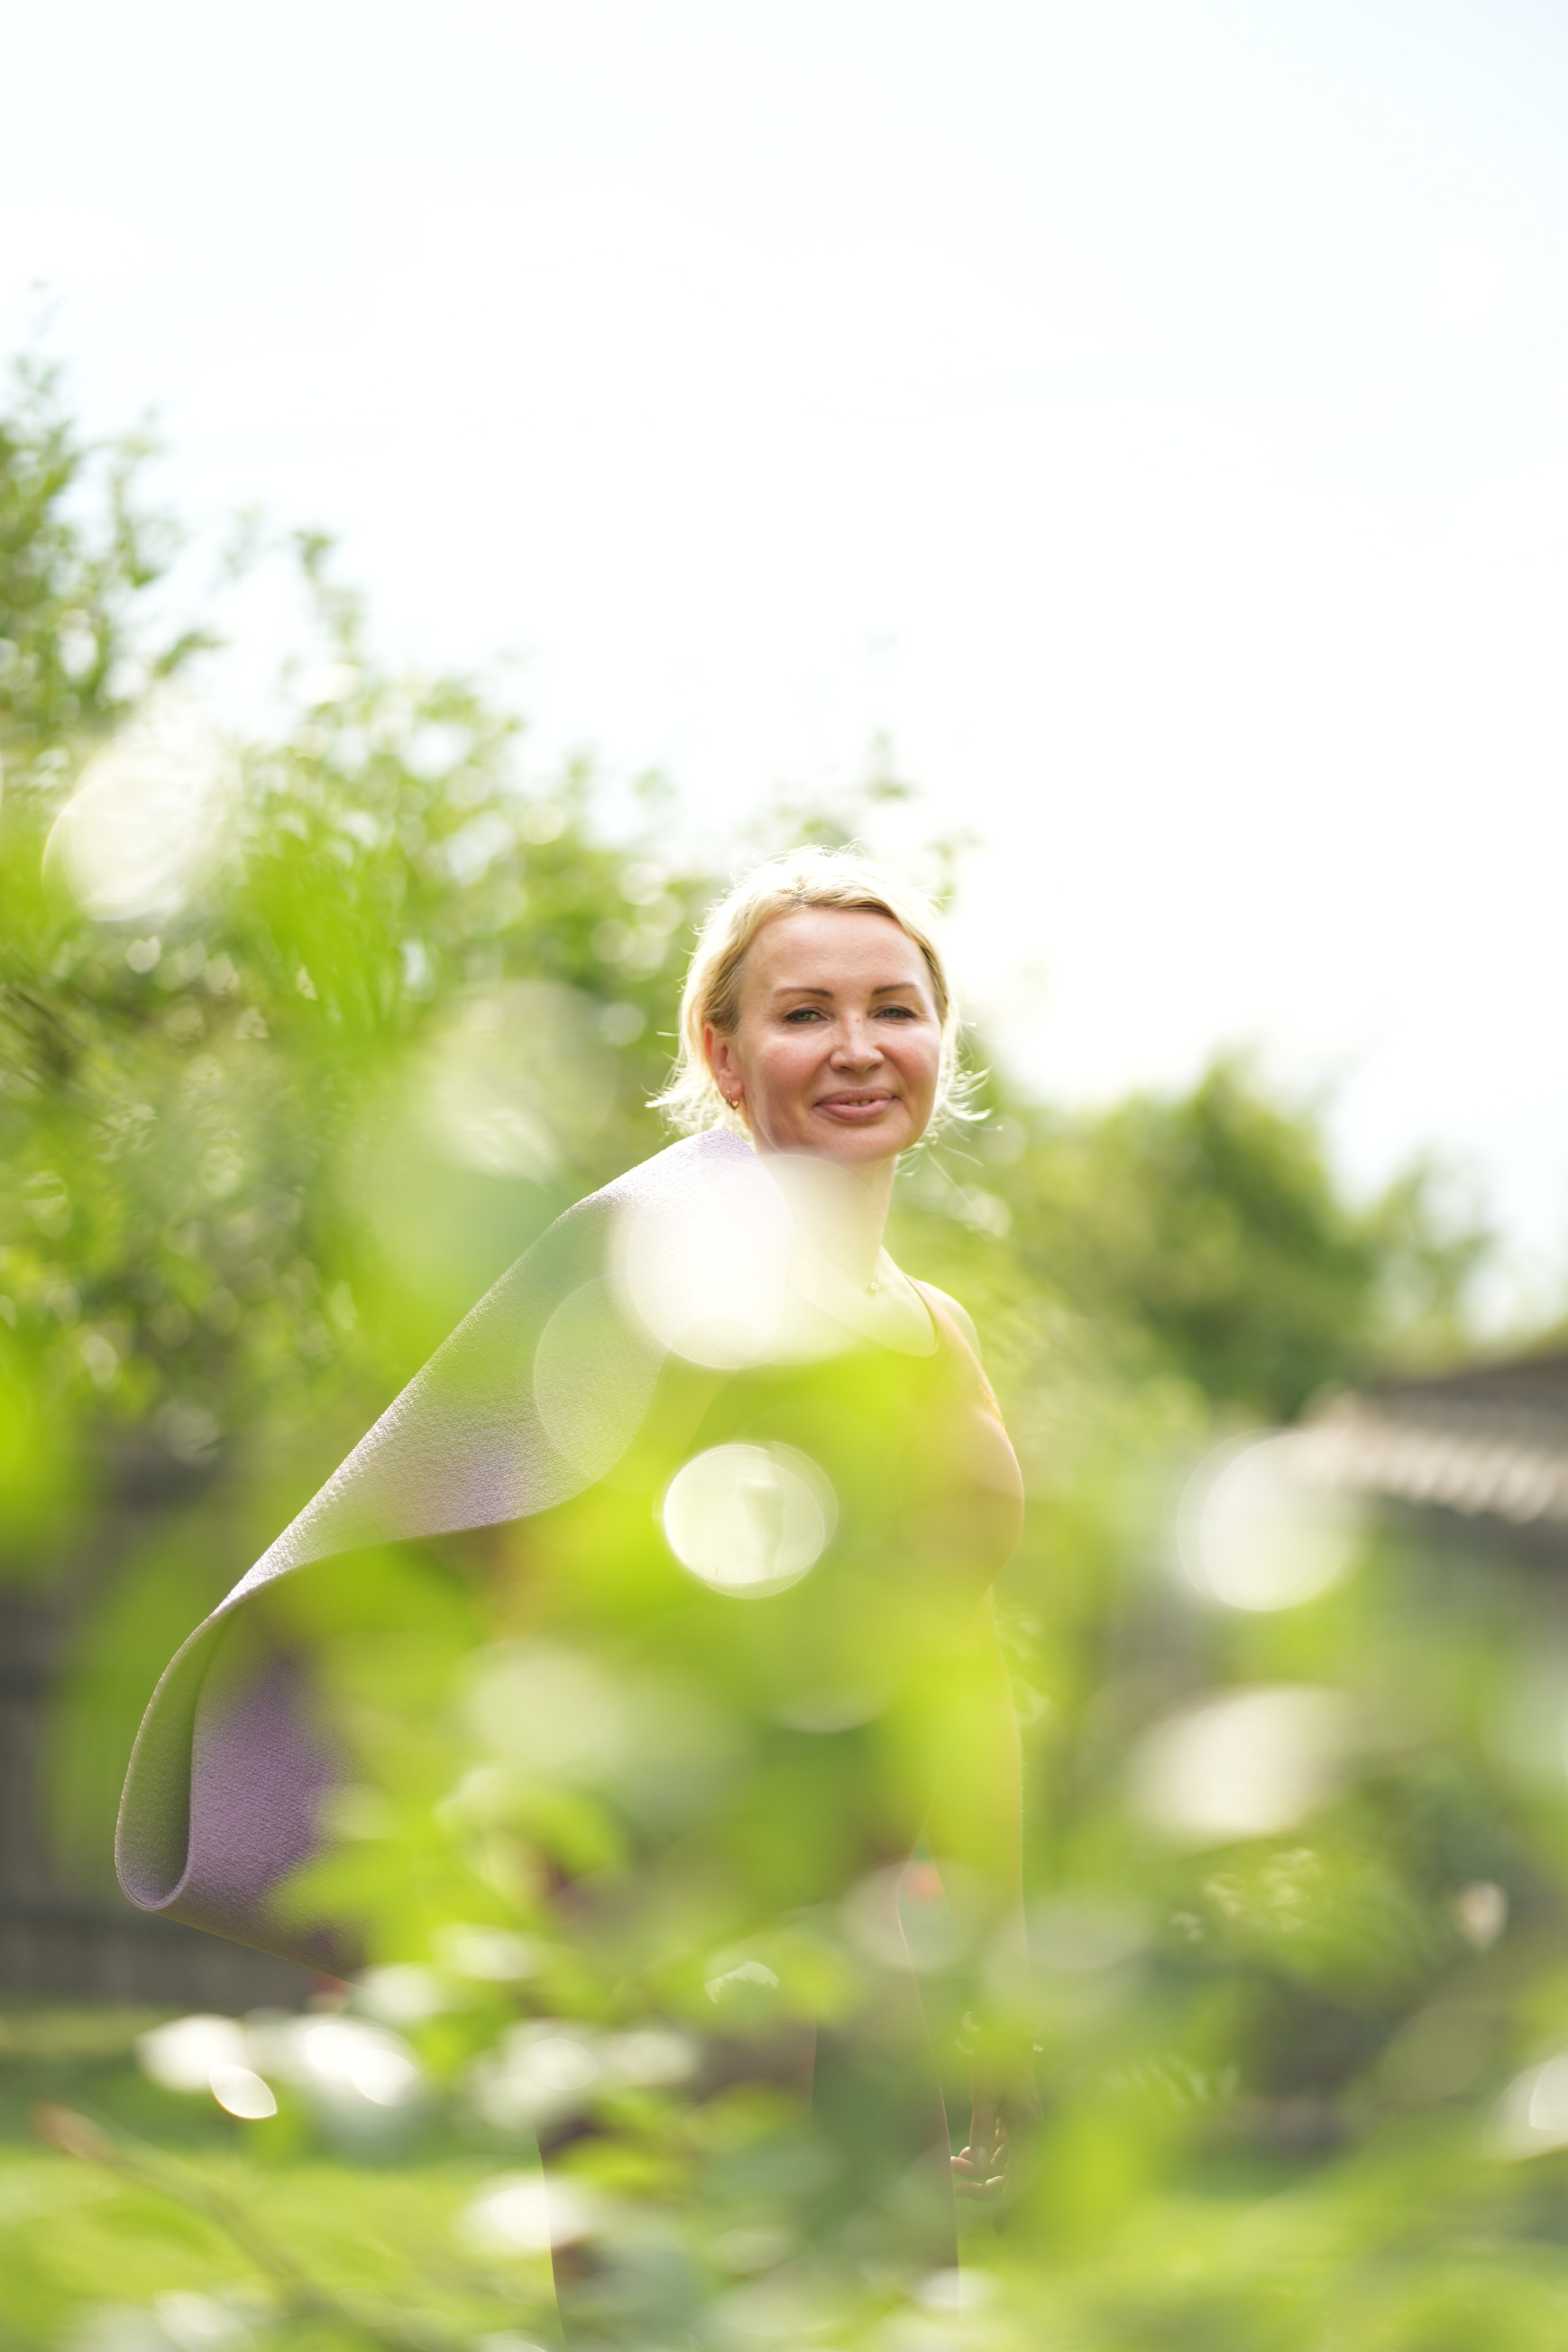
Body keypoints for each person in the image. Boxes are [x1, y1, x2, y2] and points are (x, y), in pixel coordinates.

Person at [117, 843, 1028, 2286]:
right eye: (802, 1014)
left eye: (892, 1008)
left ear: (937, 1043)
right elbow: (522, 1598)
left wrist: (995, 1953)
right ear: (724, 1062)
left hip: (890, 1940)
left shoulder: (936, 1330)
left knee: (894, 2309)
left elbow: (962, 1671)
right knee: (671, 2303)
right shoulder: (650, 1278)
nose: (856, 1048)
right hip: (689, 1924)